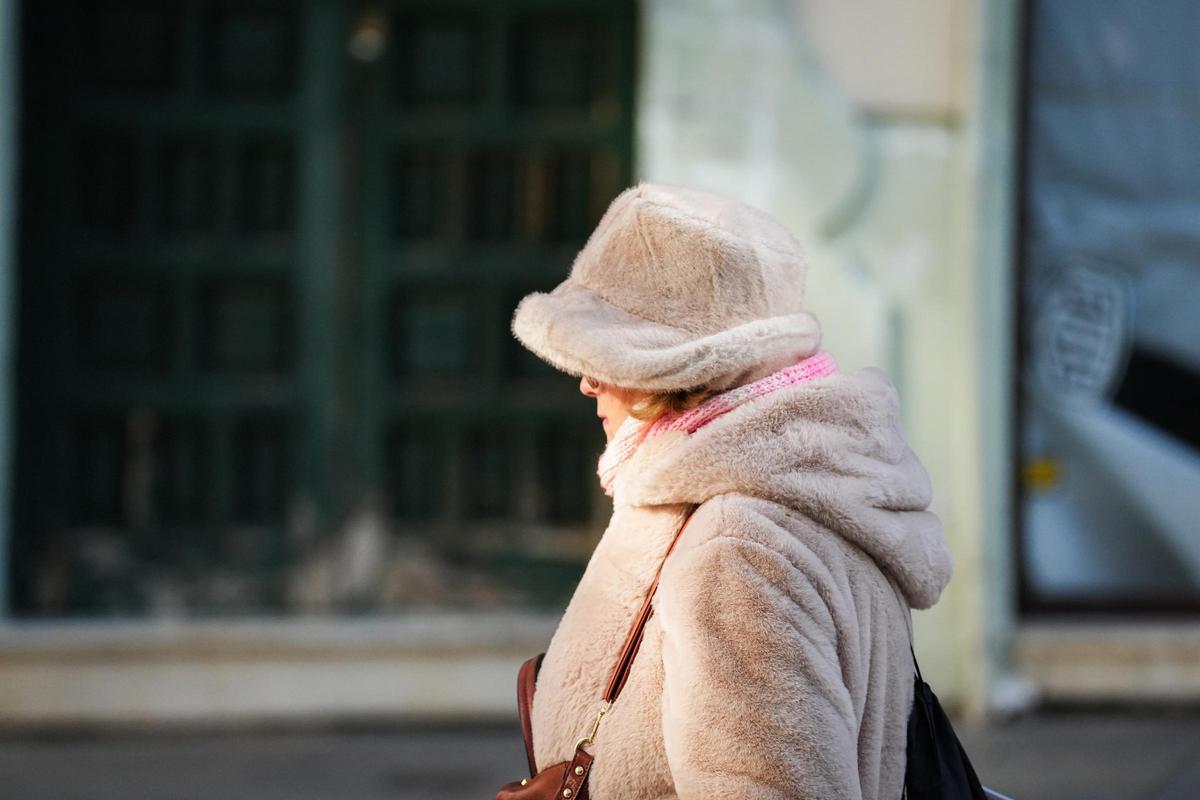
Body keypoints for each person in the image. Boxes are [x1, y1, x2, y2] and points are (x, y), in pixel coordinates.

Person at [509, 181, 953, 800]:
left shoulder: (738, 553)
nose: (587, 384)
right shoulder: (808, 492)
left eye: (607, 356)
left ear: (682, 367)